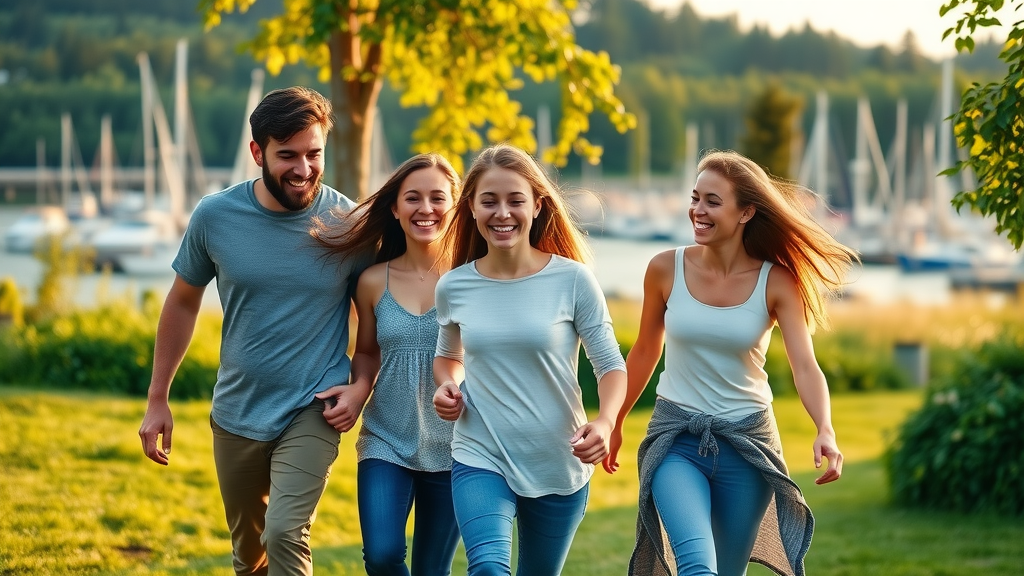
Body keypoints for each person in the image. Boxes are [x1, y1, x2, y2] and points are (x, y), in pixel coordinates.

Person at [138, 86, 372, 576]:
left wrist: (360, 387)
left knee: (286, 531)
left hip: (314, 405)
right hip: (238, 409)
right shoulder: (215, 216)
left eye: (314, 154)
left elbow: (373, 316)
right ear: (257, 152)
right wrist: (158, 397)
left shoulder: (346, 223)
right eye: (287, 155)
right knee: (250, 556)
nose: (304, 169)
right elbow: (182, 301)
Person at [608, 150, 856, 576]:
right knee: (696, 567)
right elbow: (646, 350)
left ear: (746, 213)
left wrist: (825, 429)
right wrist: (613, 419)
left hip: (749, 444)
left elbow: (804, 365)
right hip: (676, 439)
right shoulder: (664, 269)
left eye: (712, 201)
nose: (697, 210)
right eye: (695, 198)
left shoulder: (777, 281)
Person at [431, 144, 628, 576]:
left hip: (558, 459)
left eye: (516, 200)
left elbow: (611, 365)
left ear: (538, 206)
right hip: (480, 451)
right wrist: (447, 384)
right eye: (490, 201)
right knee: (487, 568)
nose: (503, 213)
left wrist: (606, 421)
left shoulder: (573, 280)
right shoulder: (453, 286)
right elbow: (448, 358)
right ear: (471, 207)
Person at [312, 153, 463, 576]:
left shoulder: (472, 279)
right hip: (385, 440)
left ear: (455, 206)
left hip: (455, 445)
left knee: (432, 570)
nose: (425, 208)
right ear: (395, 208)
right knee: (381, 556)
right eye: (412, 198)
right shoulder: (372, 280)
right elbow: (366, 352)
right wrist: (359, 390)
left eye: (437, 198)